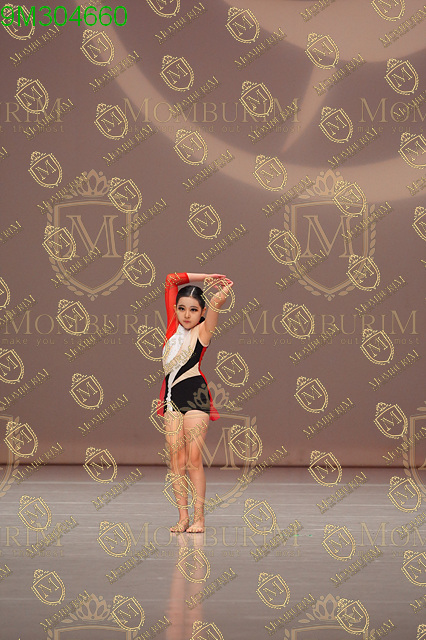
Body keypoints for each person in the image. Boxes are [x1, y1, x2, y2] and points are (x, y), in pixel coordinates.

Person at [157, 272, 233, 534]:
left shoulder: (203, 330)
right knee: (176, 460)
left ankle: (199, 519)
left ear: (201, 312)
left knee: (193, 458)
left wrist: (219, 298)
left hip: (195, 397)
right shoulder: (172, 328)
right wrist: (206, 276)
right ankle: (183, 518)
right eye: (181, 308)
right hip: (171, 400)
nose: (186, 314)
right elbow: (171, 280)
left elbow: (215, 308)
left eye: (193, 310)